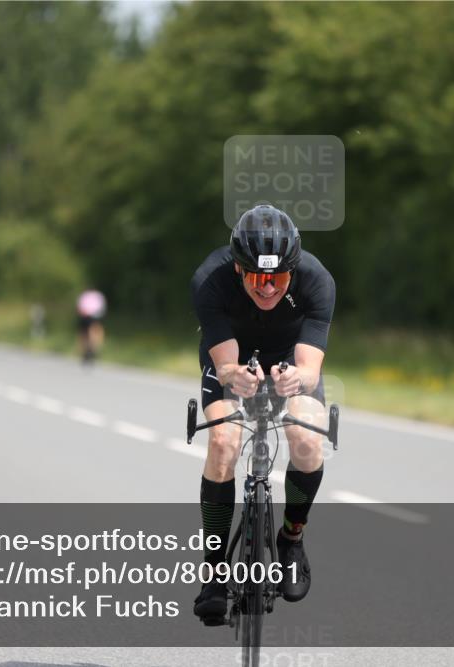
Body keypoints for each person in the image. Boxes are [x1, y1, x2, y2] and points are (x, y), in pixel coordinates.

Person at [190, 204, 335, 624]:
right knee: (223, 440)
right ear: (238, 270)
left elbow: (309, 368)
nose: (268, 288)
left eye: (278, 278)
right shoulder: (210, 280)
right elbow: (224, 364)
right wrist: (235, 374)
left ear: (293, 270)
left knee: (307, 437)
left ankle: (291, 538)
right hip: (230, 357)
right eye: (256, 277)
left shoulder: (317, 280)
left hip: (290, 357)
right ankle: (215, 569)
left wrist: (296, 379)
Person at [76, 287, 107, 362]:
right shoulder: (90, 295)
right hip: (87, 316)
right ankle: (87, 350)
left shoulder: (94, 295)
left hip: (94, 316)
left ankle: (92, 349)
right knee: (85, 333)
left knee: (92, 331)